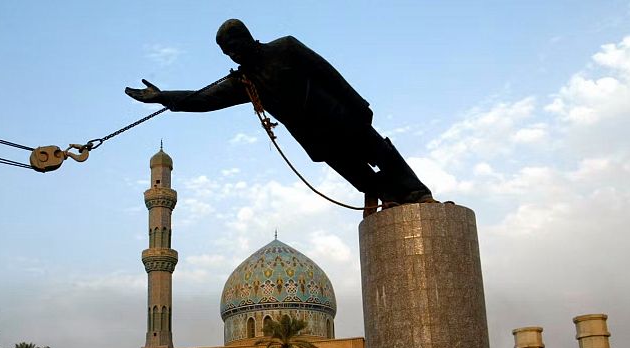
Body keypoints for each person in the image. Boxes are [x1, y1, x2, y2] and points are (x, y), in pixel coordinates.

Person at [125, 19, 436, 210]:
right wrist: (162, 97)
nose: (233, 54)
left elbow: (328, 73)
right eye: (226, 52)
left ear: (246, 37)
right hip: (315, 137)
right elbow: (204, 99)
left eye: (234, 46)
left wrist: (359, 104)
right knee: (355, 171)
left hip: (341, 117)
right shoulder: (243, 82)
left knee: (380, 152)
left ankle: (417, 194)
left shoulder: (285, 48)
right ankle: (389, 198)